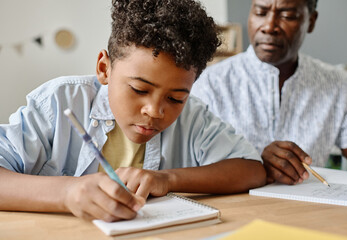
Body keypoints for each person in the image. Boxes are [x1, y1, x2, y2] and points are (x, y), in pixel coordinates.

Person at [0, 0, 266, 223]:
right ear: (104, 68)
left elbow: (251, 169)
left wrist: (168, 178)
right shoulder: (59, 102)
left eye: (175, 98)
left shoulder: (192, 116)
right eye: (139, 89)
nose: (155, 111)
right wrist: (68, 192)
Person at [192, 0, 347, 186]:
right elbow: (191, 164)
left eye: (287, 15)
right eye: (261, 12)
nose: (269, 27)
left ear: (311, 21)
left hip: (310, 209)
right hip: (235, 209)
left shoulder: (337, 83)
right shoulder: (210, 83)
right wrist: (255, 164)